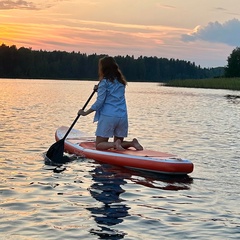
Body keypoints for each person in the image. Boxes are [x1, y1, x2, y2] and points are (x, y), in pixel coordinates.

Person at [78, 56, 143, 151]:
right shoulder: (121, 82)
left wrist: (85, 113)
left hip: (108, 116)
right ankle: (132, 143)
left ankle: (114, 144)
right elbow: (112, 92)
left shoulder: (104, 82)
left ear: (103, 68)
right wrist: (99, 89)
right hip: (122, 116)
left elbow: (100, 102)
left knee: (99, 145)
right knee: (119, 143)